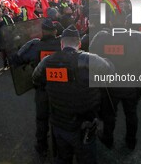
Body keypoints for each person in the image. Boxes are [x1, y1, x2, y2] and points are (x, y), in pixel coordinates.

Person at [32, 25, 113, 163]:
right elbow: (110, 70)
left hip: (59, 125)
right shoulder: (88, 59)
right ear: (79, 44)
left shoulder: (47, 61)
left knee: (63, 158)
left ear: (62, 44)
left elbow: (36, 79)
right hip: (83, 127)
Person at [90, 11, 141, 150]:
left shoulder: (101, 37)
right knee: (131, 113)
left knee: (109, 114)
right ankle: (131, 141)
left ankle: (108, 139)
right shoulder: (138, 38)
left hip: (109, 84)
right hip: (131, 83)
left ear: (110, 22)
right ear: (125, 22)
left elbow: (93, 60)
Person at [11, 18, 61, 162]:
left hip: (43, 90)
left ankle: (42, 147)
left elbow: (16, 61)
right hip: (61, 91)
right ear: (55, 31)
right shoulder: (62, 44)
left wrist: (19, 46)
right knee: (61, 120)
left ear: (42, 31)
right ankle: (60, 148)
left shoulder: (35, 46)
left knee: (42, 119)